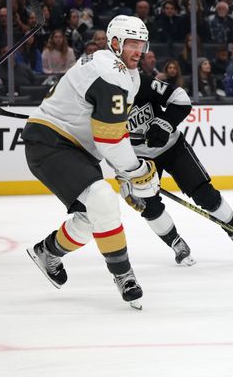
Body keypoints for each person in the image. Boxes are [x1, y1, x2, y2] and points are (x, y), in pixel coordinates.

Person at [22, 16, 160, 309]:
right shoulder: (109, 71)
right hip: (51, 143)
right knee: (103, 201)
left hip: (78, 149)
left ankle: (48, 251)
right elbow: (109, 140)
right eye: (131, 43)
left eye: (142, 44)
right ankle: (125, 276)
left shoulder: (128, 75)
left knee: (93, 216)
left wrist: (126, 177)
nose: (139, 50)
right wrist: (136, 172)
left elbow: (111, 131)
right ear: (114, 43)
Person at [125, 70, 233, 265]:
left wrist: (163, 124)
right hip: (138, 158)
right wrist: (122, 174)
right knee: (149, 207)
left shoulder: (140, 82)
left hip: (172, 147)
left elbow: (181, 99)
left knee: (205, 195)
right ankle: (176, 243)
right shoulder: (100, 99)